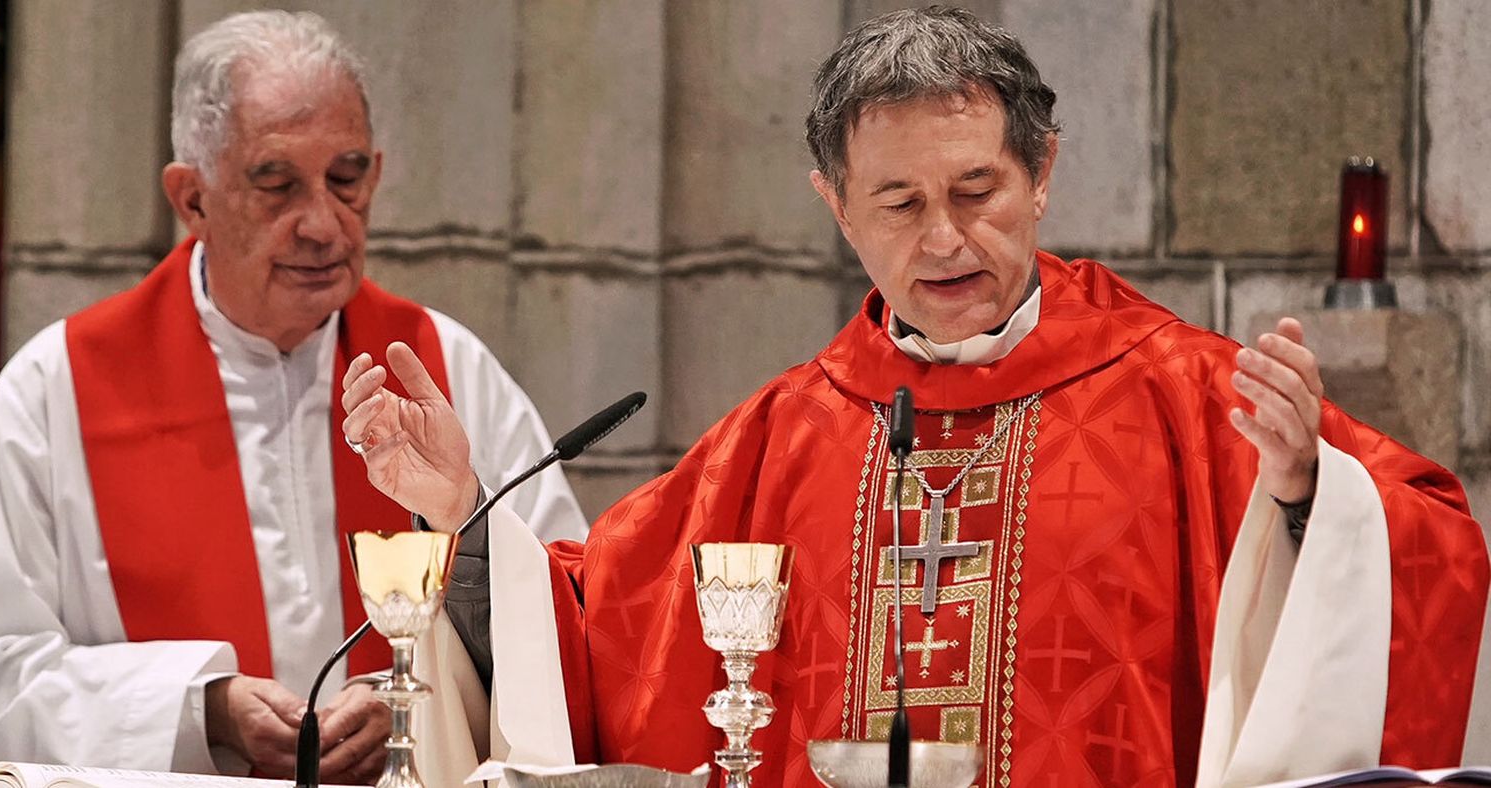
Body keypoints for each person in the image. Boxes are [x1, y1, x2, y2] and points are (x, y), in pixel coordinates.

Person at [341, 7, 1489, 788]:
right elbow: (595, 636)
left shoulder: (1187, 393)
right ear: (834, 207)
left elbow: (1430, 542)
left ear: (1041, 177)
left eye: (976, 189)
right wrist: (464, 519)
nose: (944, 238)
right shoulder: (784, 432)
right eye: (896, 202)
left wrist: (1303, 494)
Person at [0, 10, 587, 783]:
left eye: (347, 179)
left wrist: (415, 696)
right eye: (277, 186)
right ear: (192, 200)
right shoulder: (56, 390)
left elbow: (566, 622)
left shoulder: (445, 371)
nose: (325, 224)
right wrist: (202, 707)